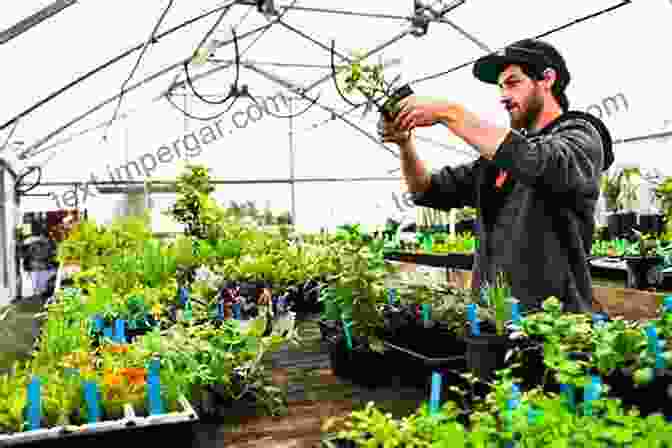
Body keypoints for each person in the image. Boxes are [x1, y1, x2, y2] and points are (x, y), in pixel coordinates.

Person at [380, 38, 614, 313]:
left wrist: (450, 113)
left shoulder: (580, 136)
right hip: (492, 320)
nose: (503, 95)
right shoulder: (495, 163)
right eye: (501, 86)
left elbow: (537, 162)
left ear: (547, 79)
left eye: (513, 82)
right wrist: (405, 145)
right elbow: (426, 190)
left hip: (552, 323)